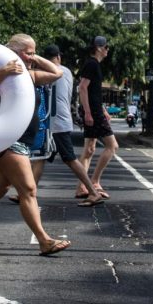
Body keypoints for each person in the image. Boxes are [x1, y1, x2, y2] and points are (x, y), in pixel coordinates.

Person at [0, 33, 70, 256]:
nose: (32, 56)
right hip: (7, 141)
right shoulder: (3, 75)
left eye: (34, 51)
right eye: (28, 52)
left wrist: (33, 57)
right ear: (13, 51)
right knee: (29, 189)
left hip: (24, 142)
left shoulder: (30, 76)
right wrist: (5, 69)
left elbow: (57, 73)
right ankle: (44, 240)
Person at [35, 44, 102, 207]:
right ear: (58, 57)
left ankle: (93, 193)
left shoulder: (53, 72)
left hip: (56, 122)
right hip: (55, 121)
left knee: (70, 159)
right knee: (40, 158)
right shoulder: (67, 71)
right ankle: (27, 192)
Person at [75, 36, 118, 200]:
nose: (108, 50)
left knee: (89, 150)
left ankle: (81, 187)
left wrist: (103, 109)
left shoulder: (94, 65)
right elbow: (83, 88)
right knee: (112, 146)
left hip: (95, 110)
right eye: (106, 47)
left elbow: (94, 93)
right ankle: (95, 181)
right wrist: (88, 112)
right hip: (92, 112)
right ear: (99, 48)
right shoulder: (92, 64)